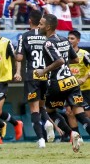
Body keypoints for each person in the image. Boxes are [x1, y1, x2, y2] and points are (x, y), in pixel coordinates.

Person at [36, 14, 90, 152]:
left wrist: (44, 71)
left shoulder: (48, 43)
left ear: (48, 27)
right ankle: (76, 133)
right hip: (71, 81)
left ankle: (71, 133)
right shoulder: (65, 40)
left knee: (48, 111)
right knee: (80, 114)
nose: (38, 26)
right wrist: (64, 62)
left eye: (41, 24)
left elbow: (59, 60)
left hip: (57, 82)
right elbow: (75, 60)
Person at [15, 10, 56, 148]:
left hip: (32, 75)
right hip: (46, 74)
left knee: (34, 109)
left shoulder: (25, 36)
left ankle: (41, 140)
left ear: (30, 21)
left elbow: (19, 58)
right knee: (42, 105)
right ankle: (48, 123)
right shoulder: (48, 36)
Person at [66, 31, 90, 135]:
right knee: (69, 113)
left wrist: (84, 77)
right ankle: (77, 137)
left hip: (85, 89)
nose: (70, 41)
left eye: (72, 38)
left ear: (78, 40)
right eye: (68, 38)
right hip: (70, 89)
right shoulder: (65, 54)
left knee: (86, 115)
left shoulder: (84, 54)